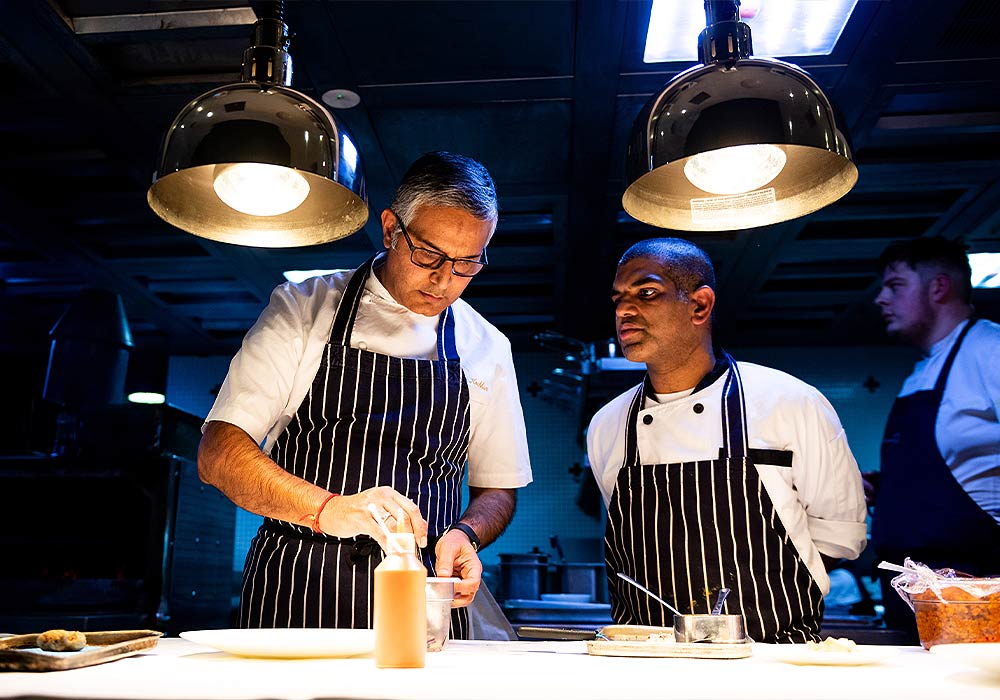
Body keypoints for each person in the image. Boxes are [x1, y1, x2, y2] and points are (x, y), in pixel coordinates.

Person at [198, 151, 532, 635]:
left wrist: (467, 534)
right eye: (429, 255)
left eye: (466, 264)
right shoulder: (303, 309)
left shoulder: (488, 346)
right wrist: (331, 509)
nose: (444, 280)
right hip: (297, 591)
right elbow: (218, 454)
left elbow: (497, 487)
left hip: (424, 603)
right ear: (391, 229)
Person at [586, 238, 867, 644]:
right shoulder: (607, 425)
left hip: (774, 660)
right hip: (649, 664)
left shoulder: (790, 402)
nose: (623, 310)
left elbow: (838, 539)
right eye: (618, 299)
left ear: (700, 305)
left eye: (646, 293)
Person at [871, 236, 1000, 638]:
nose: (880, 299)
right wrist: (886, 488)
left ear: (939, 287)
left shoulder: (991, 350)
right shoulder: (922, 371)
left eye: (895, 286)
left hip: (974, 589)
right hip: (911, 588)